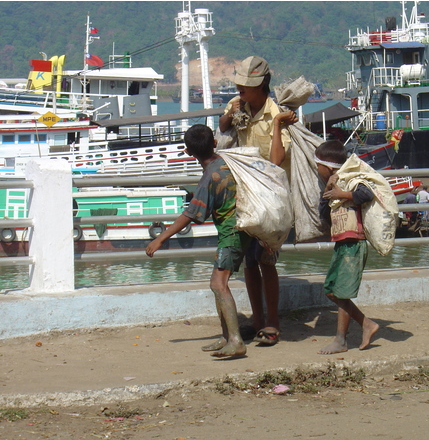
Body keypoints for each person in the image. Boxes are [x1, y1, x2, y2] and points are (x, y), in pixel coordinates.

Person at [146, 124, 250, 358]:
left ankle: (235, 340)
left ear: (188, 152)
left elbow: (190, 214)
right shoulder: (227, 163)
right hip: (244, 228)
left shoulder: (208, 178)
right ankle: (226, 337)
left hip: (231, 233)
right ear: (215, 142)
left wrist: (160, 239)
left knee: (218, 284)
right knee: (217, 283)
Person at [218, 56, 298, 346]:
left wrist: (277, 125)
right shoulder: (236, 105)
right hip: (243, 195)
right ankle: (257, 318)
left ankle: (272, 320)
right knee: (250, 262)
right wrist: (230, 115)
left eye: (245, 87)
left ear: (261, 86)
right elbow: (223, 127)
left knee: (266, 259)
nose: (240, 90)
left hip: (269, 198)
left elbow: (277, 160)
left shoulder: (278, 113)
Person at [314, 140, 380, 354]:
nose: (317, 170)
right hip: (342, 243)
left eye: (319, 166)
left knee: (340, 292)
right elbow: (324, 212)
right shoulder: (332, 184)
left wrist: (342, 194)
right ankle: (366, 323)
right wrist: (329, 190)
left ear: (329, 167)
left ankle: (341, 340)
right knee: (332, 291)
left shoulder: (352, 180)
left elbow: (366, 194)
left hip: (355, 242)